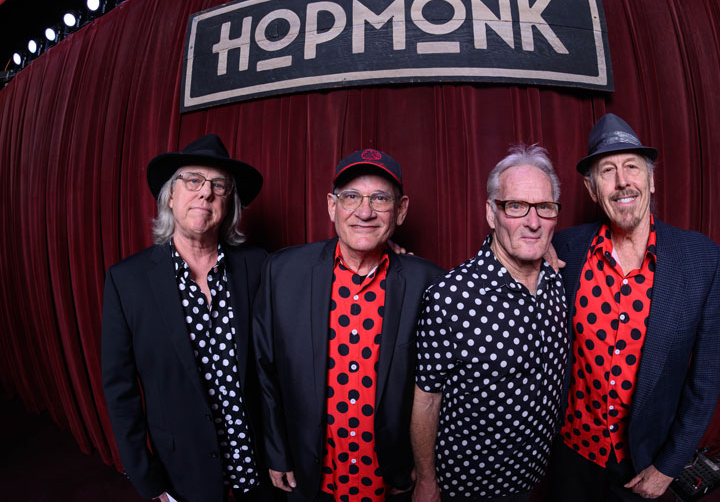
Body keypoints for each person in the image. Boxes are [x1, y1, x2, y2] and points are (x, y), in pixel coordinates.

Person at [548, 114, 720, 501]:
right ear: (591, 189)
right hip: (570, 454)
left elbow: (706, 380)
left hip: (645, 462)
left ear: (650, 179)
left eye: (631, 166)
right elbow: (508, 253)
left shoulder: (703, 261)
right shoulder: (564, 249)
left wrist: (669, 466)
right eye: (607, 171)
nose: (622, 181)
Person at [253, 149, 444, 502]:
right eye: (351, 197)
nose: (365, 211)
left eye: (380, 199)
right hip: (309, 476)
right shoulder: (282, 272)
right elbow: (264, 369)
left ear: (401, 210)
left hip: (391, 479)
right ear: (332, 206)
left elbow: (442, 387)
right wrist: (276, 452)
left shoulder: (429, 283)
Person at [102, 134, 274, 502]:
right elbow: (120, 391)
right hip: (182, 474)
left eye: (219, 185)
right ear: (170, 195)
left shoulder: (258, 267)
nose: (206, 193)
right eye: (193, 180)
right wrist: (148, 482)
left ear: (229, 203)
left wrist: (383, 253)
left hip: (258, 468)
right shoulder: (127, 281)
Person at [410, 146, 570, 502]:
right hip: (467, 486)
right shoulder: (450, 296)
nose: (533, 221)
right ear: (491, 213)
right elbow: (427, 399)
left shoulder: (558, 279)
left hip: (531, 477)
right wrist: (426, 479)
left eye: (544, 207)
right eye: (516, 206)